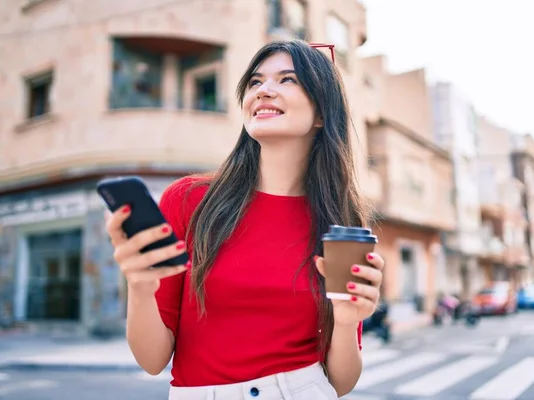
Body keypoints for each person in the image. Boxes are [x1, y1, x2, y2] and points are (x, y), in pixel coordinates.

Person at [105, 40, 385, 400]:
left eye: (287, 80)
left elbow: (341, 383)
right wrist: (140, 287)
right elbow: (152, 360)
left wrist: (347, 322)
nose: (264, 90)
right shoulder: (189, 200)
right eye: (255, 82)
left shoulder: (340, 223)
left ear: (320, 113)